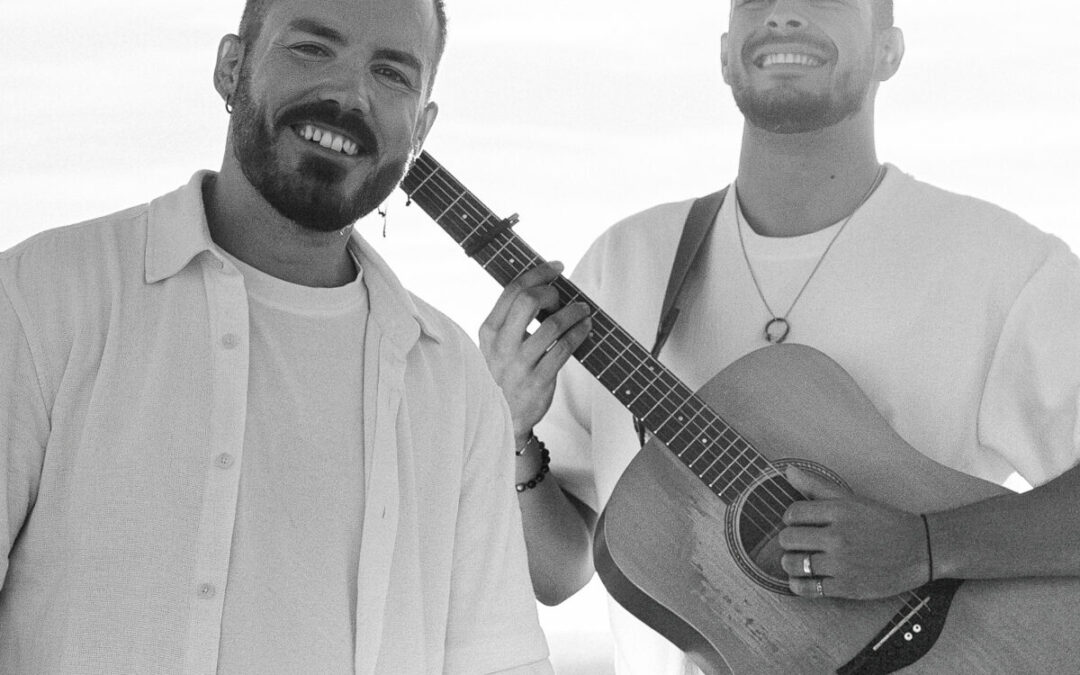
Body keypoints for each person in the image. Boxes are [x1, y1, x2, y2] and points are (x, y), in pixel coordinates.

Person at [480, 1, 1080, 672]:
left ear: (889, 51)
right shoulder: (624, 264)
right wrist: (512, 432)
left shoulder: (1004, 265)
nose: (785, 13)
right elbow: (558, 571)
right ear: (724, 53)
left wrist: (925, 546)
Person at [0, 1, 552, 673]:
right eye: (313, 48)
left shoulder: (454, 381)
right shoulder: (39, 298)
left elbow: (498, 660)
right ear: (231, 68)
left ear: (422, 129)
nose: (350, 95)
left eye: (391, 73)